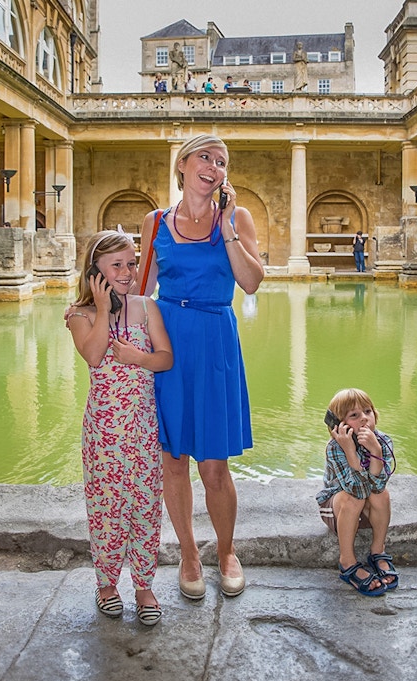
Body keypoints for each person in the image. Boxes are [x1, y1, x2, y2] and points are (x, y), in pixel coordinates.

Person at [137, 134, 265, 600]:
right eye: (205, 157)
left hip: (214, 342)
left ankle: (227, 551)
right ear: (183, 165)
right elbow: (139, 289)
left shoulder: (237, 218)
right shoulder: (155, 222)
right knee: (173, 463)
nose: (214, 167)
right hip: (167, 342)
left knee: (214, 466)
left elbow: (250, 283)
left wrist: (228, 225)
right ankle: (189, 554)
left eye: (222, 161)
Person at [67, 231, 174, 626]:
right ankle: (107, 583)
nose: (128, 272)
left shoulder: (147, 307)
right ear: (95, 272)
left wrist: (137, 357)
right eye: (117, 266)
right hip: (103, 431)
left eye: (132, 263)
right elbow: (94, 355)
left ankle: (144, 585)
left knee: (145, 506)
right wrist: (100, 306)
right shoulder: (80, 315)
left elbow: (165, 358)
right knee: (107, 507)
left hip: (143, 425)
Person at [315, 388, 398, 597]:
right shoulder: (335, 448)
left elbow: (377, 487)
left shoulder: (383, 441)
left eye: (368, 412)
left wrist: (376, 452)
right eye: (354, 415)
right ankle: (347, 561)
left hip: (367, 510)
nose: (364, 419)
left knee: (383, 494)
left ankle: (378, 550)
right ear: (339, 425)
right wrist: (351, 452)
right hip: (338, 510)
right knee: (353, 498)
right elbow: (356, 490)